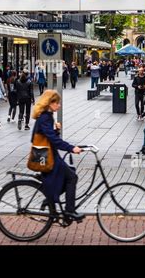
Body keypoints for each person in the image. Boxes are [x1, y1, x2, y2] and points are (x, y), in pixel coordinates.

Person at [31, 90, 84, 221]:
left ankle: (50, 201)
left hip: (48, 154)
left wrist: (56, 130)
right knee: (71, 177)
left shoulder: (46, 116)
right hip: (45, 156)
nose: (59, 106)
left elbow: (48, 136)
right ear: (50, 103)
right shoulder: (45, 117)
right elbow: (53, 140)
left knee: (68, 177)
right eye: (57, 103)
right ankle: (69, 211)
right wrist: (71, 148)